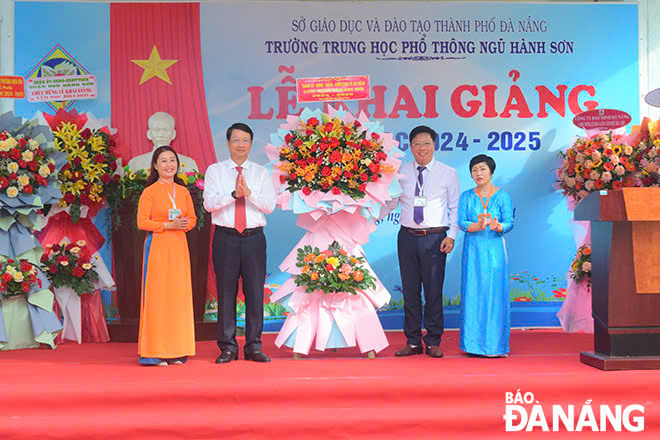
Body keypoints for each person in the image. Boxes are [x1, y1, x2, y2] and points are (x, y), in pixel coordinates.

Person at [385, 125, 461, 358]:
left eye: (426, 143)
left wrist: (452, 235)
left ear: (434, 145)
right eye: (417, 144)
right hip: (407, 236)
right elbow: (390, 203)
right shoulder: (401, 172)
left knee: (434, 291)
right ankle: (413, 341)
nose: (422, 148)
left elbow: (455, 207)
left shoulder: (448, 173)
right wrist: (363, 209)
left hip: (436, 237)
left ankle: (433, 341)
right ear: (410, 147)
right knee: (410, 291)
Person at [203, 122, 276, 364]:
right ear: (227, 143)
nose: (241, 145)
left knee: (254, 292)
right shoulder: (215, 171)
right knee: (226, 293)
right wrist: (234, 195)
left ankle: (254, 346)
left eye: (245, 140)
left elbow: (269, 206)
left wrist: (249, 194)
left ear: (251, 144)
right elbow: (209, 204)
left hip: (254, 238)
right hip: (226, 238)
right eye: (236, 140)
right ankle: (228, 347)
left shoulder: (260, 172)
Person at [136, 146, 197, 366]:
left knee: (178, 298)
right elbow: (142, 222)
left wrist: (183, 224)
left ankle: (177, 351)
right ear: (155, 165)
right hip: (158, 247)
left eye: (172, 160)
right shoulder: (149, 192)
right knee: (158, 298)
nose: (169, 165)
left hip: (179, 247)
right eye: (163, 161)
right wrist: (167, 225)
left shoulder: (183, 191)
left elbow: (192, 218)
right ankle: (154, 352)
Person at [458, 154, 514, 357]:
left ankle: (495, 346)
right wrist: (477, 225)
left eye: (482, 169)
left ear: (491, 171)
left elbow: (510, 222)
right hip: (473, 251)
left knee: (494, 294)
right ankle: (472, 345)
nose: (478, 173)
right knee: (473, 293)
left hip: (494, 250)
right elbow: (462, 222)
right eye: (474, 170)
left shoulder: (502, 196)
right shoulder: (466, 196)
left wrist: (500, 226)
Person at [128, 111, 199, 172]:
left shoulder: (189, 163)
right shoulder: (135, 164)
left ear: (173, 134)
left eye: (165, 130)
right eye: (156, 130)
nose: (161, 135)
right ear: (149, 134)